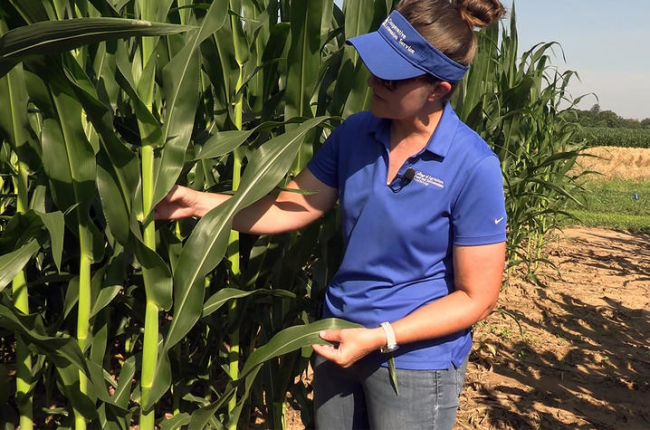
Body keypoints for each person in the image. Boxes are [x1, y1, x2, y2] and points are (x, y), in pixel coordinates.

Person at [156, 0, 507, 428]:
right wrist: (200, 204)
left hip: (415, 361)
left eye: (392, 78)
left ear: (438, 90)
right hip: (338, 337)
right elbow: (293, 204)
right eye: (375, 65)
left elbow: (477, 296)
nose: (373, 80)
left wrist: (382, 337)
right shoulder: (355, 134)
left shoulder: (473, 165)